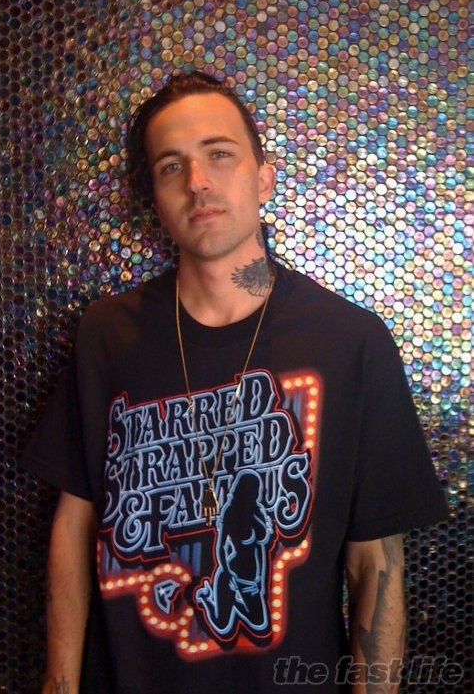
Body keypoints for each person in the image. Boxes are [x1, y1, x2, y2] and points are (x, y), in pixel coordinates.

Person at [22, 71, 447, 694]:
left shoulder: (350, 342)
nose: (197, 181)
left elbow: (375, 562)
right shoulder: (107, 336)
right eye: (171, 166)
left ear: (263, 178)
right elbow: (73, 526)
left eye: (219, 154)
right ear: (156, 198)